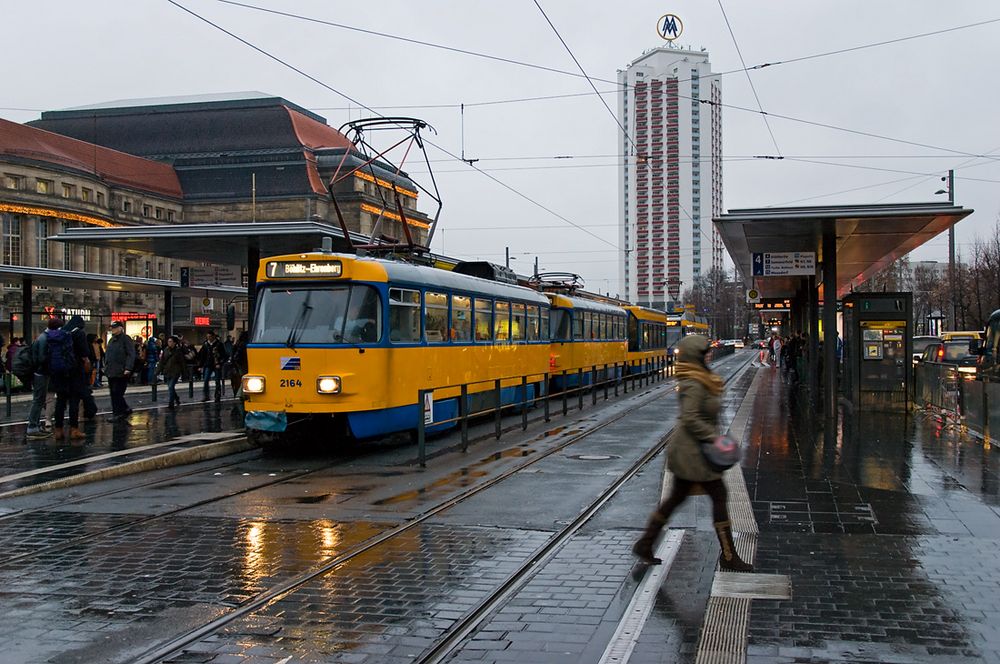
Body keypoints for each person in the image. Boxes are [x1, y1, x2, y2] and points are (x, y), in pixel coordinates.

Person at [632, 334, 752, 572]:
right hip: (692, 453)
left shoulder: (701, 378)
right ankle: (728, 555)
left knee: (676, 500)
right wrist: (715, 437)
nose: (710, 354)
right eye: (705, 352)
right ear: (695, 356)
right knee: (718, 496)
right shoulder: (694, 383)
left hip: (694, 452)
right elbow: (690, 417)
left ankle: (645, 544)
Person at [48, 317, 87, 440]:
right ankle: (74, 430)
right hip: (74, 371)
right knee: (74, 401)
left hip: (59, 372)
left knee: (60, 401)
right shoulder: (79, 333)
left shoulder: (59, 334)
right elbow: (85, 352)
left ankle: (58, 430)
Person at [25, 324, 56, 439]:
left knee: (40, 399)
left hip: (39, 372)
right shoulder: (44, 339)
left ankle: (35, 426)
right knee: (38, 400)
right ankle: (33, 427)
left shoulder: (41, 337)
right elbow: (42, 358)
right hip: (41, 373)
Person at [105, 321, 137, 421]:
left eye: (114, 328)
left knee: (117, 392)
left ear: (120, 328)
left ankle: (119, 413)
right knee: (113, 393)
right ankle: (123, 409)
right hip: (111, 370)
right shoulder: (111, 340)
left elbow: (131, 354)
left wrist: (128, 368)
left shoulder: (125, 339)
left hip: (121, 370)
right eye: (112, 328)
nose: (112, 329)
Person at [157, 335, 186, 409]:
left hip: (175, 371)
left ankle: (171, 403)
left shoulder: (178, 351)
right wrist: (157, 371)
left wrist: (184, 372)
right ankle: (176, 398)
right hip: (167, 371)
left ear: (174, 343)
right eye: (168, 341)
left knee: (171, 386)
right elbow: (162, 361)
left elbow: (182, 362)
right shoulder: (166, 350)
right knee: (170, 387)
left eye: (170, 341)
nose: (169, 343)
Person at [198, 331, 227, 402]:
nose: (209, 338)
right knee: (206, 380)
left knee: (217, 380)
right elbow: (202, 355)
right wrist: (200, 366)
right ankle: (206, 396)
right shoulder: (205, 344)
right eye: (208, 337)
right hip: (208, 364)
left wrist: (220, 363)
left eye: (210, 337)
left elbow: (224, 355)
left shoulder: (219, 344)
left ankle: (217, 395)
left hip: (216, 364)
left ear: (213, 336)